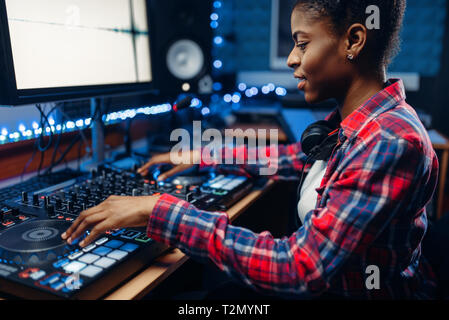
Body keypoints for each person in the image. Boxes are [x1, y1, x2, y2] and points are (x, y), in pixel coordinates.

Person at [62, 0, 439, 299]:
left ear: (353, 41)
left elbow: (299, 268)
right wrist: (203, 155)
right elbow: (290, 159)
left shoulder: (389, 142)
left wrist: (162, 210)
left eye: (302, 43)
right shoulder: (359, 123)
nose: (292, 58)